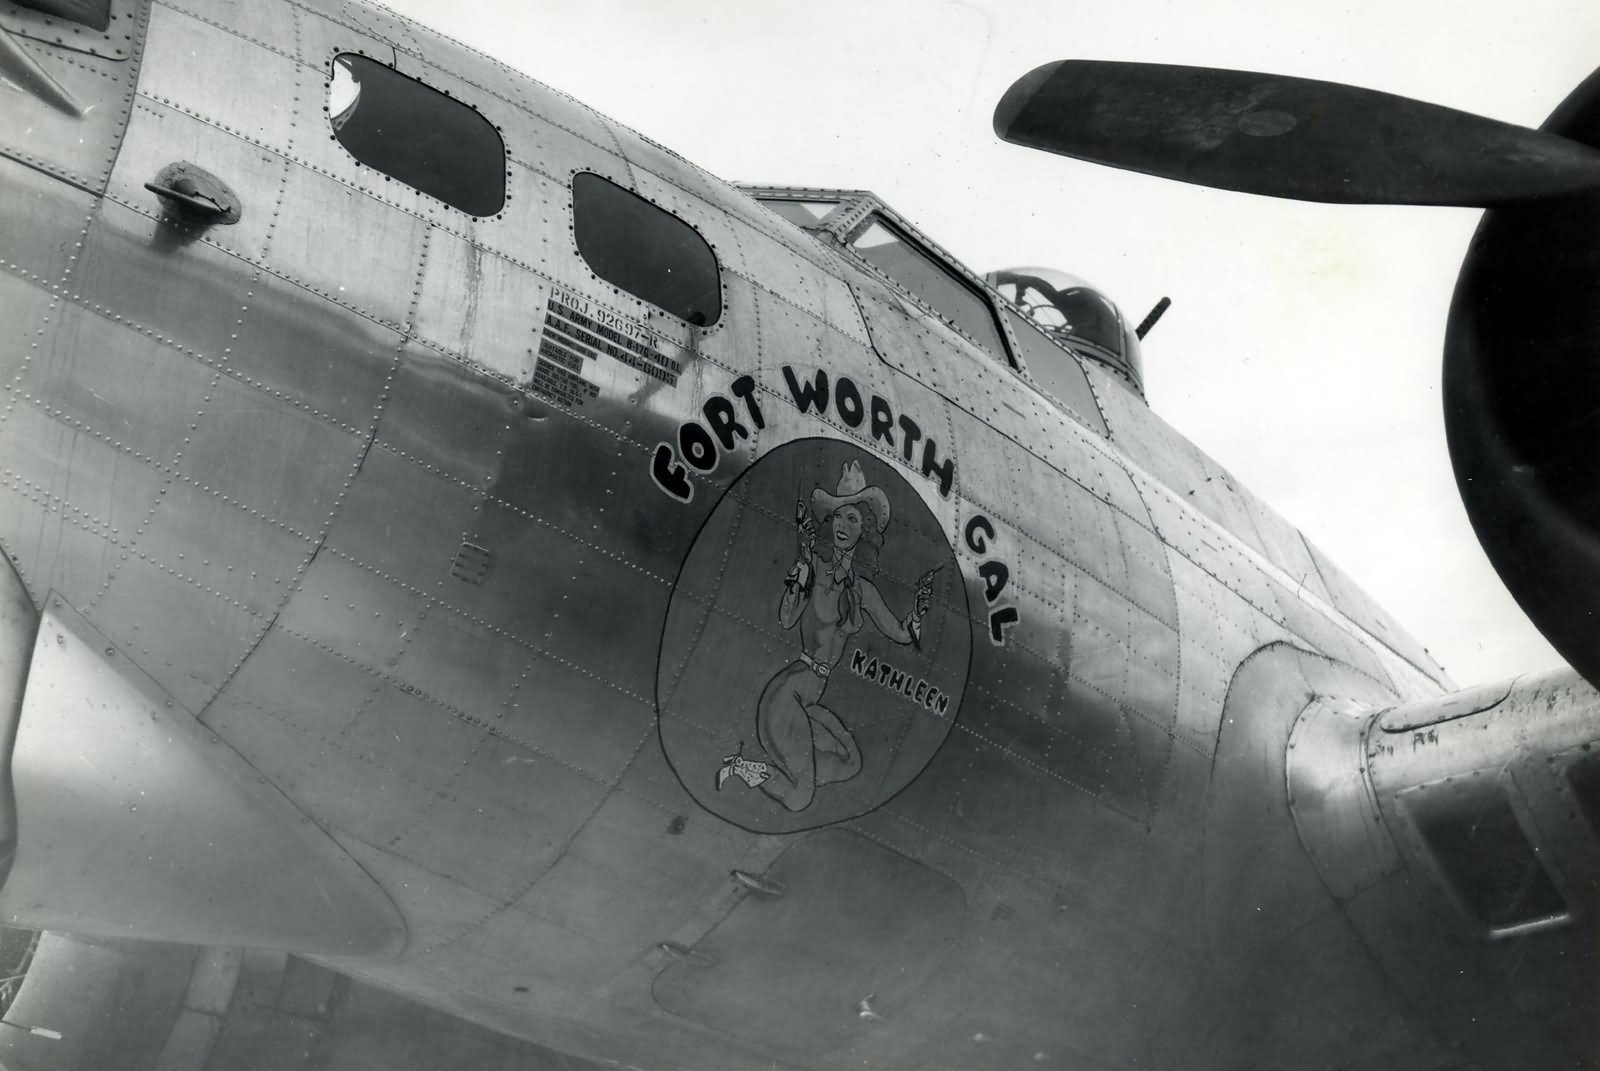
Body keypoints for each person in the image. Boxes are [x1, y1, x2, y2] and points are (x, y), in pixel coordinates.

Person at [718, 459, 934, 812]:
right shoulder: (813, 569)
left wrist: (919, 611)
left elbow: (900, 633)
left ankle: (786, 770)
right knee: (801, 798)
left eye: (853, 518)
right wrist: (797, 581)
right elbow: (787, 619)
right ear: (829, 522)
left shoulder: (863, 591)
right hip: (788, 694)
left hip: (809, 698)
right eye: (838, 516)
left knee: (852, 762)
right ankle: (741, 768)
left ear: (865, 529)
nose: (843, 525)